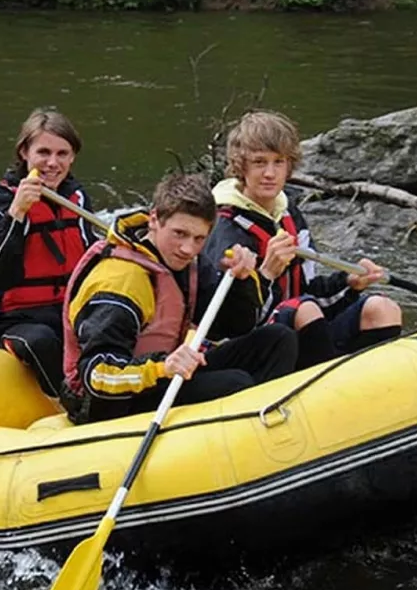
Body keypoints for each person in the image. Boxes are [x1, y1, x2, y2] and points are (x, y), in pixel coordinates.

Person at [61, 173, 297, 425]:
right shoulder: (120, 282)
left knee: (277, 340)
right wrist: (162, 367)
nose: (188, 248)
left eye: (199, 239)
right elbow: (97, 376)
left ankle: (267, 424)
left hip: (161, 373)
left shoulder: (186, 263)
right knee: (235, 384)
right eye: (180, 233)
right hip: (108, 400)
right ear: (154, 220)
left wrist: (242, 281)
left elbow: (232, 327)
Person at [205, 110, 402, 370]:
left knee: (382, 308)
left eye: (279, 162)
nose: (269, 173)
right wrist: (267, 274)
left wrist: (349, 283)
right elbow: (231, 321)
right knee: (304, 309)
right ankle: (328, 388)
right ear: (241, 166)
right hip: (257, 342)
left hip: (301, 323)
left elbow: (308, 289)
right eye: (259, 162)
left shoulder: (288, 213)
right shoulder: (225, 227)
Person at [0, 108, 97, 395]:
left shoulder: (76, 197)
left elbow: (93, 260)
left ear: (72, 157)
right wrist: (17, 215)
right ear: (24, 152)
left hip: (68, 311)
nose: (53, 163)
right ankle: (72, 403)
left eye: (62, 154)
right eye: (44, 152)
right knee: (41, 341)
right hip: (15, 318)